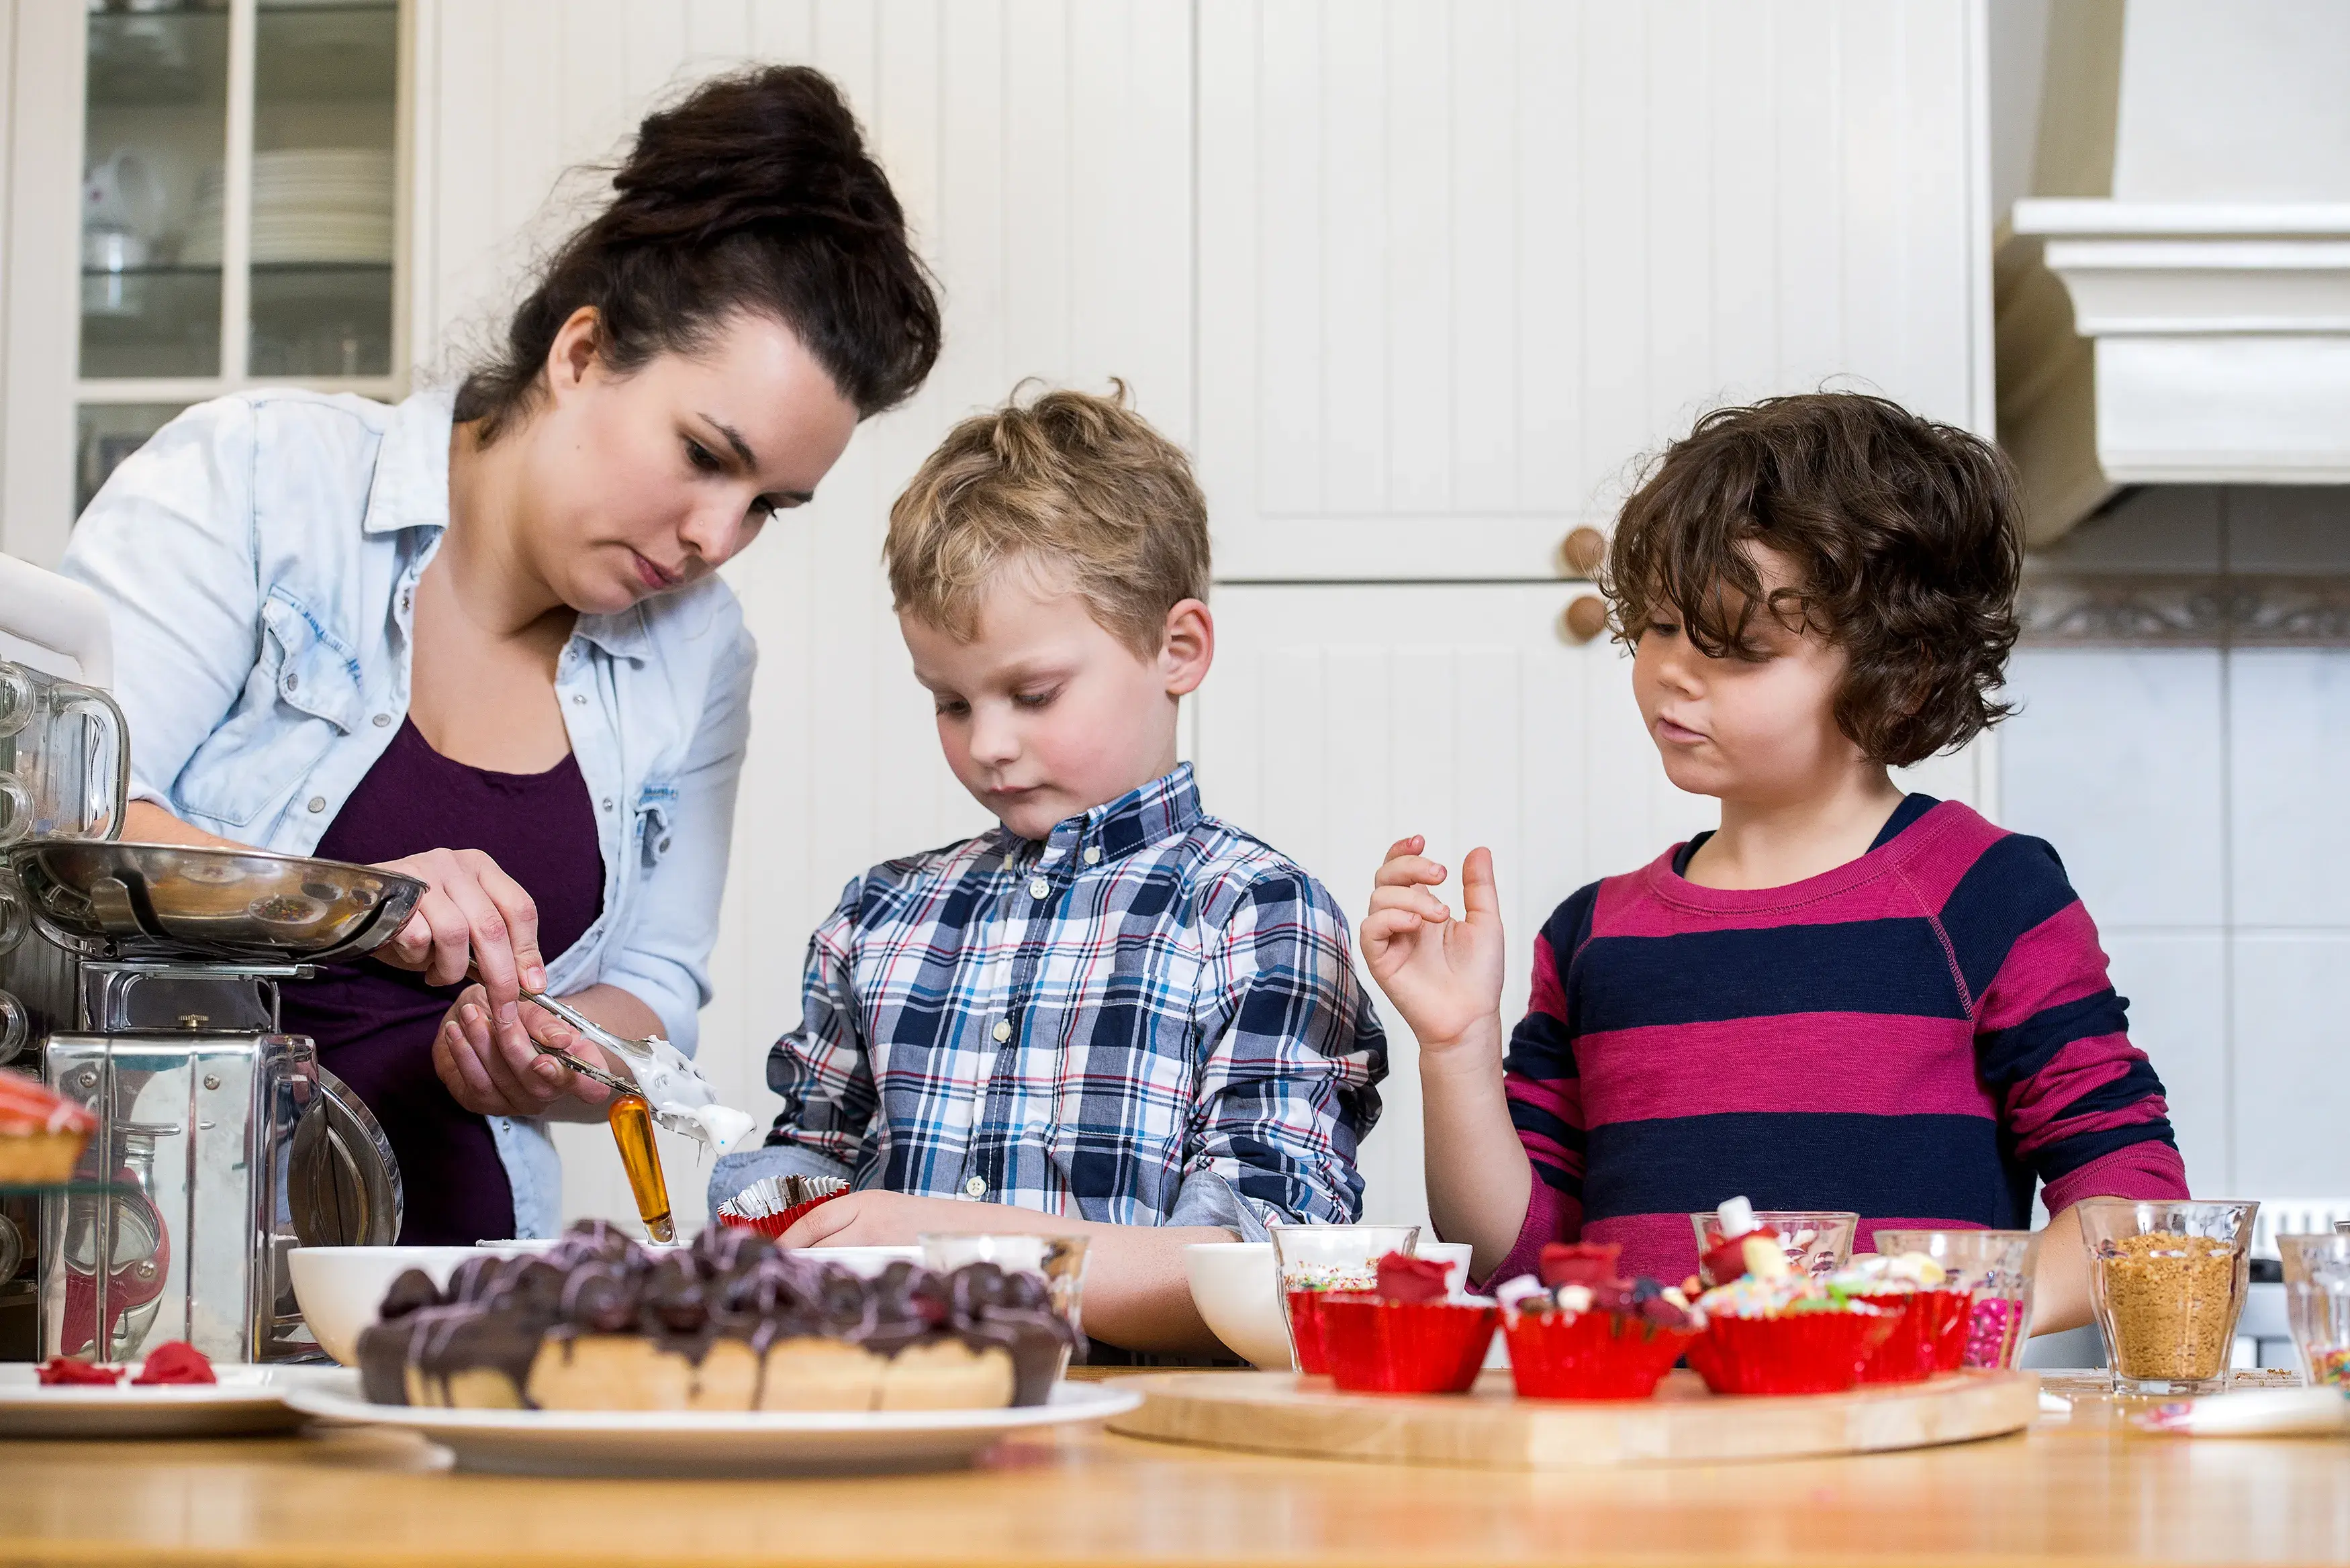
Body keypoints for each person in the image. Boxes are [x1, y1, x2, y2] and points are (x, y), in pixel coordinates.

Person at [60, 67, 941, 1243]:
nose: (715, 539)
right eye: (702, 454)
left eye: (768, 505)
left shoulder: (700, 654)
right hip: (151, 1260)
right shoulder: (261, 484)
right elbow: (58, 828)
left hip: (466, 1289)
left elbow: (656, 991)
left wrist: (565, 1054)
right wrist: (359, 907)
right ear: (583, 352)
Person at [1361, 392, 2187, 1332]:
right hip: (1652, 1457)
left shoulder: (1984, 896)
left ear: (1899, 674)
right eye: (1663, 626)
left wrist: (1926, 1314)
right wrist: (1456, 1050)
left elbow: (2132, 1206)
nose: (1674, 670)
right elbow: (1521, 1260)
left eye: (1743, 650)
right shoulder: (1595, 936)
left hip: (1902, 1452)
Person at [709, 385, 1388, 1355]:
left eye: (1033, 694)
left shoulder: (1261, 916)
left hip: (1155, 1455)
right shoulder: (881, 915)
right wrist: (762, 1204)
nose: (988, 744)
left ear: (1177, 648)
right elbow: (806, 1167)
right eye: (949, 702)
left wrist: (955, 1250)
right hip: (895, 1429)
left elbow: (1265, 1269)